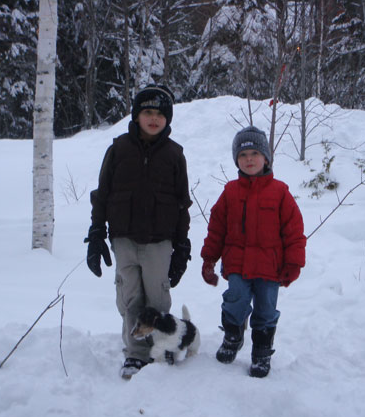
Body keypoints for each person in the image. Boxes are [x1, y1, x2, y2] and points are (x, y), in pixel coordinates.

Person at [85, 84, 192, 379]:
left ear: (167, 118)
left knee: (157, 299)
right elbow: (102, 195)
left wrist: (182, 246)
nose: (154, 119)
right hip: (124, 239)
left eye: (160, 114)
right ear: (136, 115)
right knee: (130, 298)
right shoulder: (118, 150)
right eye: (148, 112)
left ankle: (161, 349)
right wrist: (96, 234)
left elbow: (182, 203)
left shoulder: (174, 154)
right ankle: (136, 353)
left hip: (160, 241)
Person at [200, 126, 306, 378]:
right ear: (236, 160)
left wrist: (293, 264)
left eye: (254, 153)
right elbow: (216, 228)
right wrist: (209, 259)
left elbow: (294, 232)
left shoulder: (280, 193)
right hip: (237, 263)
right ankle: (232, 336)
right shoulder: (230, 192)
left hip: (270, 267)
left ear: (266, 158)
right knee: (235, 298)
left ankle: (261, 351)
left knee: (266, 309)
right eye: (243, 155)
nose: (249, 159)